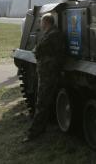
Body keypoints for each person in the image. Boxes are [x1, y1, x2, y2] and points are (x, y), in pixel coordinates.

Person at [23, 13, 66, 141]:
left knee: (41, 102)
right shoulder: (55, 34)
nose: (40, 24)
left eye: (41, 22)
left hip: (48, 73)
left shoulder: (51, 35)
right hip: (52, 71)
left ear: (46, 22)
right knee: (45, 101)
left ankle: (35, 132)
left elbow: (37, 51)